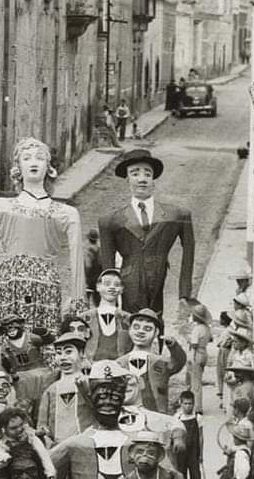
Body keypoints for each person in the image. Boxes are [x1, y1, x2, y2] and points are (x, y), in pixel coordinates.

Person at [0, 137, 85, 333]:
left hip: (47, 287)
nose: (33, 162)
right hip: (10, 283)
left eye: (40, 158)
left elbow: (77, 260)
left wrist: (77, 301)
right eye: (27, 158)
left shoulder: (66, 213)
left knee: (43, 343)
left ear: (49, 167)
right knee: (7, 343)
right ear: (18, 167)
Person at [98, 149, 195, 316]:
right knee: (131, 327)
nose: (142, 179)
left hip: (159, 283)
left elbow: (189, 251)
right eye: (135, 174)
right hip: (130, 285)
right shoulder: (111, 221)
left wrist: (184, 294)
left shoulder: (177, 215)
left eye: (147, 174)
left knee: (157, 326)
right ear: (127, 179)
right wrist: (109, 300)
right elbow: (107, 267)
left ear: (153, 180)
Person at [118, 309, 186, 414]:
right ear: (130, 330)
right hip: (127, 416)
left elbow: (178, 362)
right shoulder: (119, 364)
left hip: (157, 415)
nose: (141, 331)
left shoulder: (161, 362)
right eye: (136, 327)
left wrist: (173, 346)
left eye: (148, 329)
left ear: (156, 332)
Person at [37, 331, 87, 443]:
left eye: (68, 352)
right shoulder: (51, 390)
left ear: (82, 353)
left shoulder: (89, 385)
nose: (63, 357)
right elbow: (42, 424)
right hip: (57, 446)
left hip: (84, 445)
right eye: (59, 353)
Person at [173, 389, 215, 479]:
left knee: (196, 478)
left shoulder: (198, 417)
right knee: (181, 477)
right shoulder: (177, 417)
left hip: (193, 453)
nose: (188, 406)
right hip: (181, 453)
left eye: (190, 403)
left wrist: (200, 453)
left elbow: (201, 437)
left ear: (194, 403)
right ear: (180, 403)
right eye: (185, 403)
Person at [84, 269, 131, 363]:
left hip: (119, 369)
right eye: (107, 284)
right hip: (91, 369)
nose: (112, 287)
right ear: (98, 287)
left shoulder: (128, 319)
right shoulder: (85, 318)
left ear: (122, 289)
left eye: (117, 285)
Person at [186, 302, 212, 414]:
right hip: (204, 352)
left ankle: (197, 407)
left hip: (196, 353)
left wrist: (189, 340)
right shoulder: (206, 327)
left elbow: (194, 344)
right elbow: (210, 339)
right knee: (198, 379)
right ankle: (196, 405)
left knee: (195, 382)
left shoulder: (196, 329)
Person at [83, 229, 102, 306]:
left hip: (90, 277)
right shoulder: (99, 249)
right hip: (98, 277)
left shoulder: (88, 251)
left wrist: (86, 278)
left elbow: (88, 265)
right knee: (97, 300)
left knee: (86, 298)